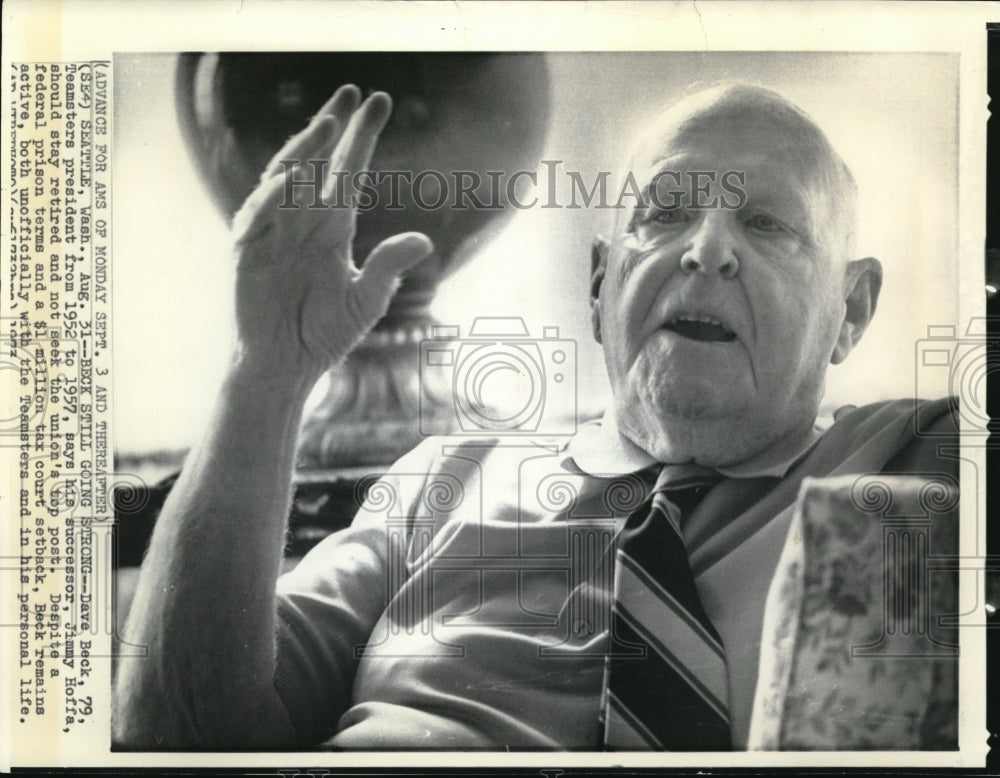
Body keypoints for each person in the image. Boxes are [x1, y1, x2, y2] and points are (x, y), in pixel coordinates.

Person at [112, 82, 958, 750]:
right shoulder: (442, 479)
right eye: (664, 212)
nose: (705, 248)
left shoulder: (911, 457)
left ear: (852, 308)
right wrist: (265, 371)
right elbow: (178, 731)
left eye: (767, 222)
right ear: (599, 285)